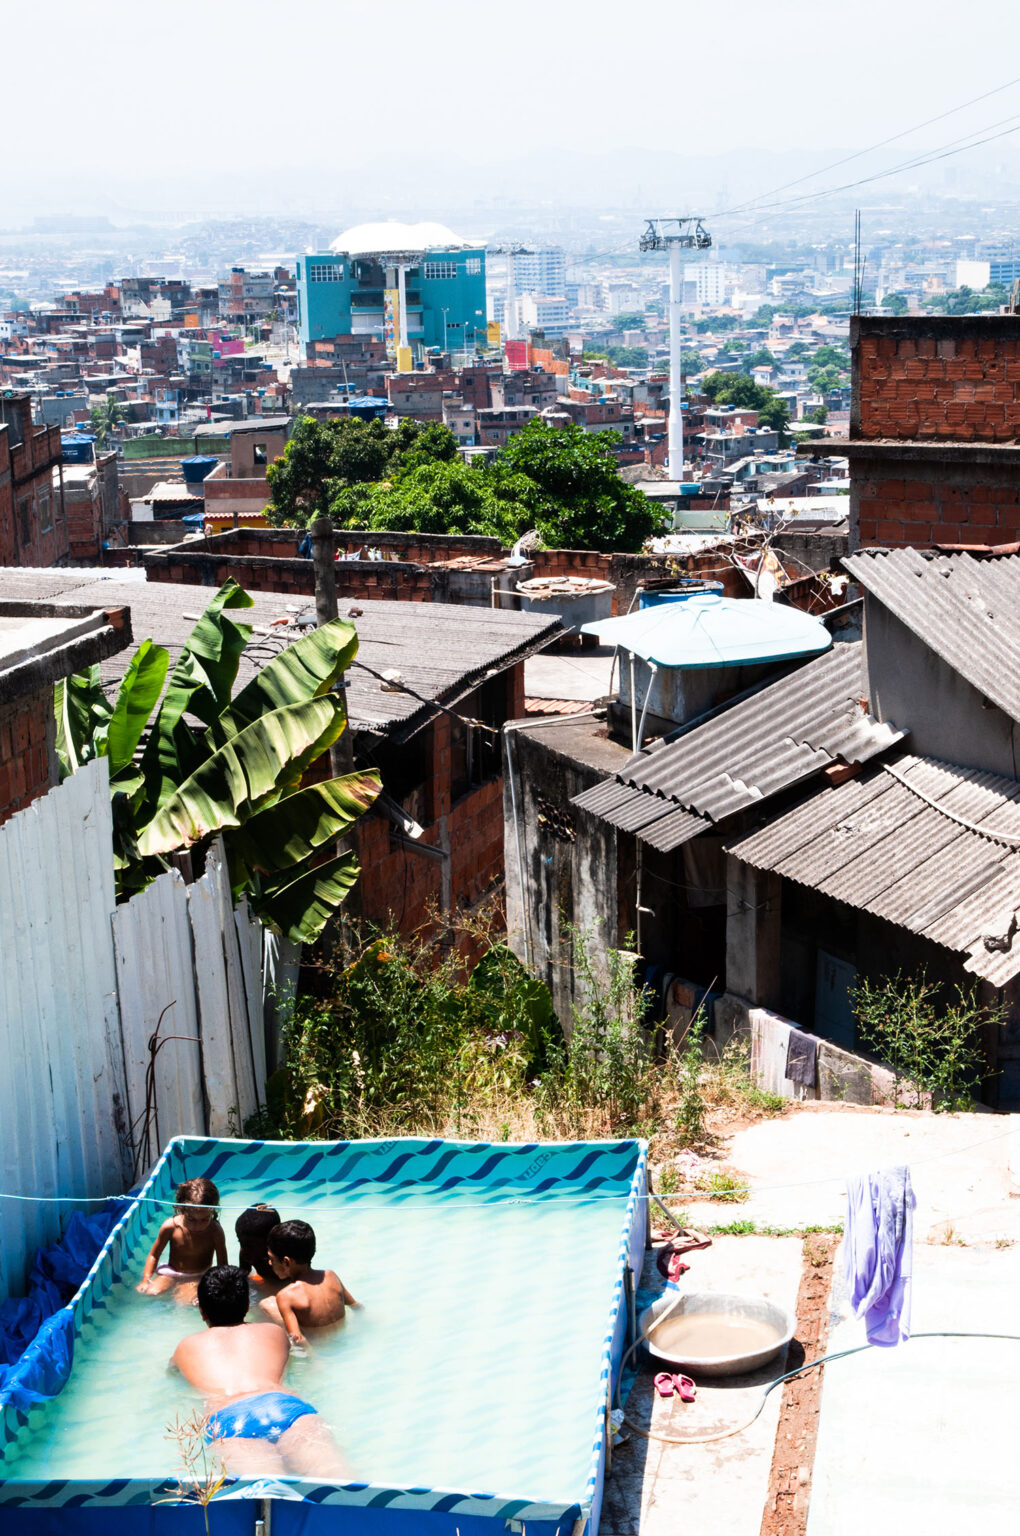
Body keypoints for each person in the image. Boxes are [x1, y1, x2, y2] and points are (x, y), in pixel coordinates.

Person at [172, 1264, 350, 1478]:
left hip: (229, 1419)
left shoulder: (185, 1347)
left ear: (202, 1312)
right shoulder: (274, 1331)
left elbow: (174, 1378)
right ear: (247, 1305)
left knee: (267, 1495)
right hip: (285, 1407)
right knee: (337, 1483)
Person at [259, 1220, 359, 1348]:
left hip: (317, 1345)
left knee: (266, 1304)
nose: (269, 1263)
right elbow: (356, 1306)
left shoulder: (286, 1296)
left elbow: (298, 1339)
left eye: (271, 1258)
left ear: (286, 1262)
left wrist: (316, 1362)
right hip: (343, 1341)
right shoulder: (331, 1276)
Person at [138, 1178, 227, 1300]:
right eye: (191, 1219)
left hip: (199, 1276)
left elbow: (222, 1264)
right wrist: (145, 1279)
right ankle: (179, 1288)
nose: (197, 1226)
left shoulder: (215, 1231)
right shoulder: (171, 1227)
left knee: (185, 1301)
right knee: (151, 1292)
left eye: (204, 1220)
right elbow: (154, 1255)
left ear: (212, 1211)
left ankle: (185, 1290)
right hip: (172, 1273)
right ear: (182, 1209)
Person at [234, 1204, 282, 1290]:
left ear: (269, 1242)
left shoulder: (284, 1259)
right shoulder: (246, 1253)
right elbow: (242, 1278)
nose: (244, 1250)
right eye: (240, 1242)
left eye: (249, 1246)